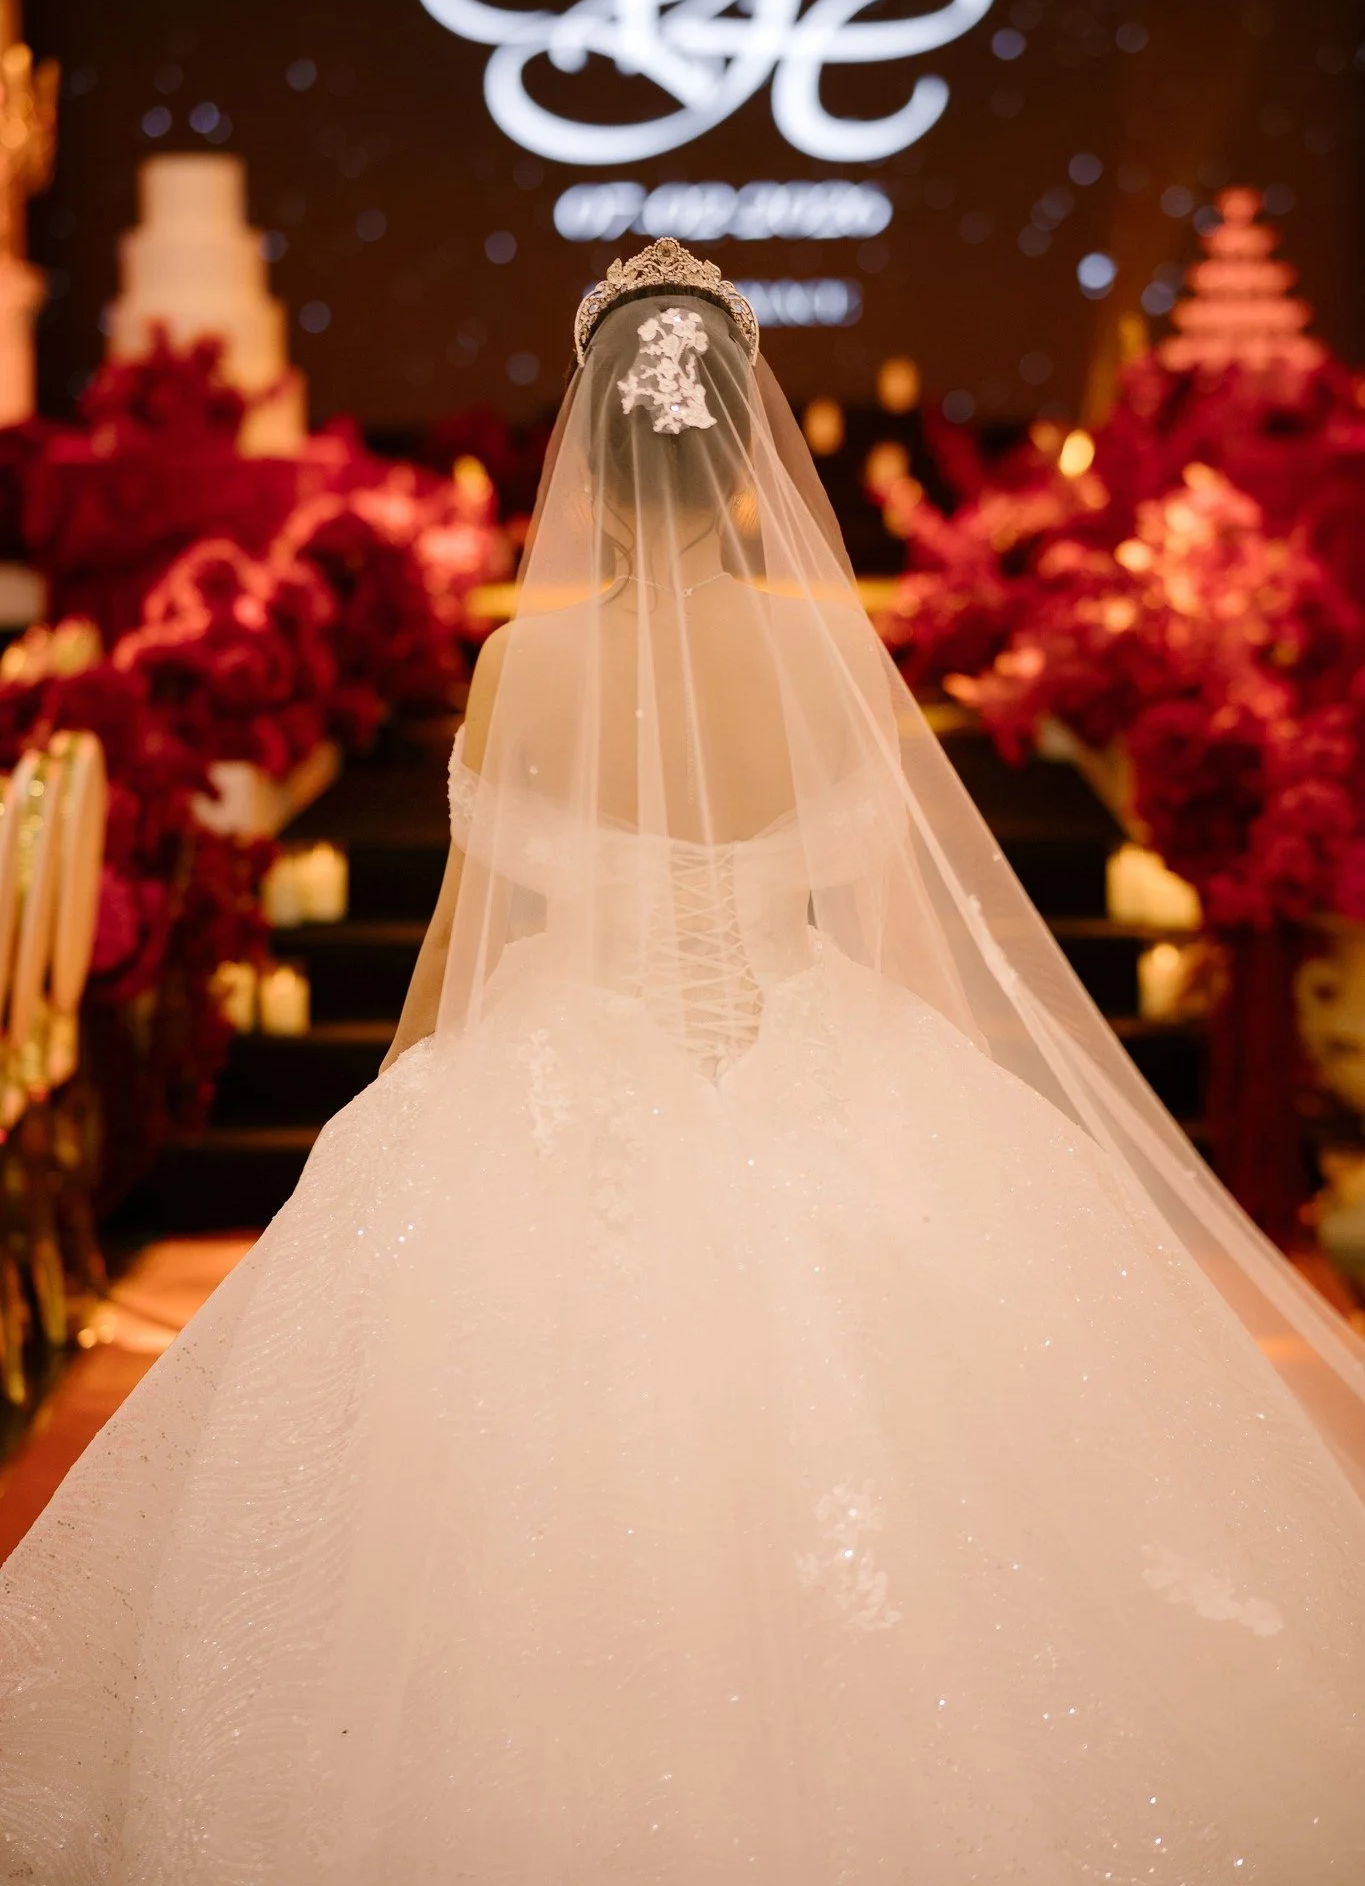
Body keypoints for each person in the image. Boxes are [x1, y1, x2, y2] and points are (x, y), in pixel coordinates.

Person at [3, 238, 1365, 1884]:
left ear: (592, 453)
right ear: (744, 452)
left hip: (563, 1087)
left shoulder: (520, 669)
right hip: (819, 1058)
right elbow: (870, 918)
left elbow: (472, 936)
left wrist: (406, 1122)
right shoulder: (824, 662)